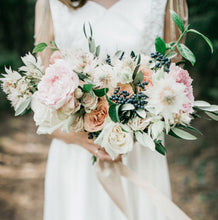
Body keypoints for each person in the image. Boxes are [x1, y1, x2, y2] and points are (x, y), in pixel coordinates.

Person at [35, 0, 188, 219]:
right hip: (76, 159)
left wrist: (131, 133)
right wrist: (81, 138)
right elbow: (40, 94)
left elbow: (174, 85)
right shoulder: (51, 3)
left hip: (138, 154)